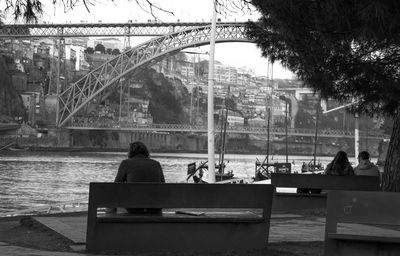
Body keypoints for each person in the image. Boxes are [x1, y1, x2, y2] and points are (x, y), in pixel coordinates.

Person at [114, 141, 165, 214]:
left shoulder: (126, 163)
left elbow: (115, 187)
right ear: (146, 151)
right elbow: (163, 186)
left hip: (133, 208)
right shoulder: (156, 164)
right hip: (154, 208)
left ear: (130, 152)